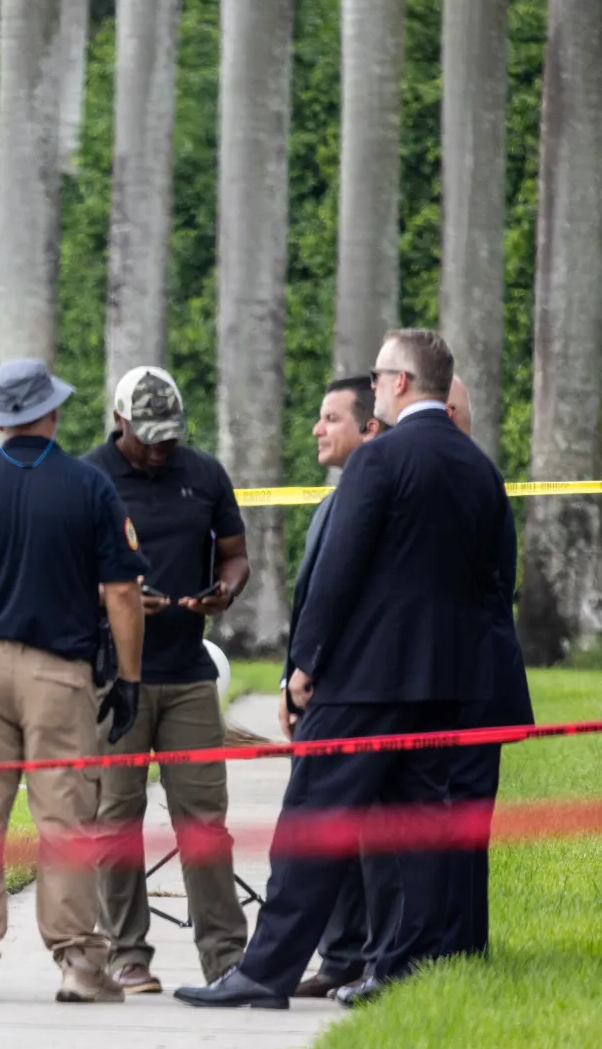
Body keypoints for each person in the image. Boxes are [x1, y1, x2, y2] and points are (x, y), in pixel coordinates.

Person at [176, 329, 509, 1011]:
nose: (377, 384)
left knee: (312, 822)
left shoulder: (381, 459)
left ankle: (265, 971)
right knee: (419, 828)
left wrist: (305, 664)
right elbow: (494, 576)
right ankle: (399, 966)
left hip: (364, 681)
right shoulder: (479, 468)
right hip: (442, 683)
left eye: (382, 374)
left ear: (401, 384)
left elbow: (338, 571)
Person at [0, 358, 148, 1004]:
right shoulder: (90, 486)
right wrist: (128, 678)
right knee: (65, 820)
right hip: (60, 673)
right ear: (52, 411)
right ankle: (77, 963)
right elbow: (123, 592)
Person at [84, 367, 251, 994]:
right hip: (118, 679)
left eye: (169, 437)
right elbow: (70, 567)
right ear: (120, 422)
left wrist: (225, 591)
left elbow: (235, 553)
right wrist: (117, 602)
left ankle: (226, 956)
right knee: (115, 819)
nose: (160, 448)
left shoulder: (203, 474)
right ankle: (127, 952)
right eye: (147, 436)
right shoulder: (91, 477)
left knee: (204, 820)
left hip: (186, 674)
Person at [289, 373, 393, 999]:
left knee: (367, 834)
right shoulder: (333, 500)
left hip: (357, 693)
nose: (317, 429)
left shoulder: (377, 503)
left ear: (369, 427)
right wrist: (289, 678)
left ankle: (372, 956)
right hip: (316, 690)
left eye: (331, 419)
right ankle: (340, 955)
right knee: (333, 835)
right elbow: (311, 599)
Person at [437, 375, 532, 959]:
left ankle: (456, 944)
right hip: (482, 667)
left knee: (456, 814)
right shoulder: (479, 474)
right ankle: (465, 943)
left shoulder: (455, 479)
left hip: (462, 674)